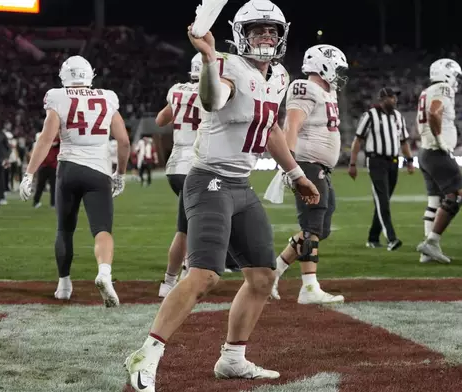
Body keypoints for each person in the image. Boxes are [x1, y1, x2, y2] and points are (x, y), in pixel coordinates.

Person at [124, 2, 320, 391]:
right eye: (257, 30)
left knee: (263, 276)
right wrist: (210, 58)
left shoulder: (279, 75)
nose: (265, 36)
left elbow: (271, 130)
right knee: (204, 275)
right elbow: (213, 101)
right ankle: (147, 353)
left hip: (240, 186)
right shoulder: (228, 66)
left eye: (271, 30)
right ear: (240, 35)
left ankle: (233, 359)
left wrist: (295, 173)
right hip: (209, 180)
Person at [19, 55, 131, 306]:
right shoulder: (108, 97)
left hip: (69, 168)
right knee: (102, 230)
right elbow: (123, 141)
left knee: (65, 230)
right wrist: (120, 173)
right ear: (90, 74)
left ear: (64, 75)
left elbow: (46, 139)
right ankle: (104, 273)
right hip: (99, 171)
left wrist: (29, 173)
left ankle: (64, 285)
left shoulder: (58, 96)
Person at [269, 44, 347, 305]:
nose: (340, 74)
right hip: (307, 164)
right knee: (312, 226)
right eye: (338, 67)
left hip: (319, 167)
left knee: (319, 229)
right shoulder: (305, 87)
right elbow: (291, 125)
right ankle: (309, 287)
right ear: (324, 64)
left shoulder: (327, 91)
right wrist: (291, 168)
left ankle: (274, 272)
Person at [154, 53, 202, 297]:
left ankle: (172, 281)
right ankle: (178, 278)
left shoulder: (177, 90)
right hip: (197, 166)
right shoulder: (214, 92)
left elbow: (161, 120)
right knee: (189, 228)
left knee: (190, 225)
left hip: (175, 167)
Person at [349, 87, 415, 250]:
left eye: (395, 97)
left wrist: (409, 161)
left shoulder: (398, 117)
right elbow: (358, 140)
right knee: (383, 201)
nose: (395, 100)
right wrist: (352, 164)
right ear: (382, 99)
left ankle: (372, 238)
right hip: (376, 161)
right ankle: (391, 238)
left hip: (394, 162)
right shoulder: (370, 115)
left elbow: (404, 141)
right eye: (392, 97)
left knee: (383, 201)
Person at [415, 58, 462, 264]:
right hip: (437, 152)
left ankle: (427, 254)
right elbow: (434, 111)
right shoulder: (443, 88)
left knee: (434, 201)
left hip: (426, 152)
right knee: (457, 196)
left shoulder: (426, 90)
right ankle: (432, 242)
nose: (457, 81)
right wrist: (440, 139)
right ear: (447, 73)